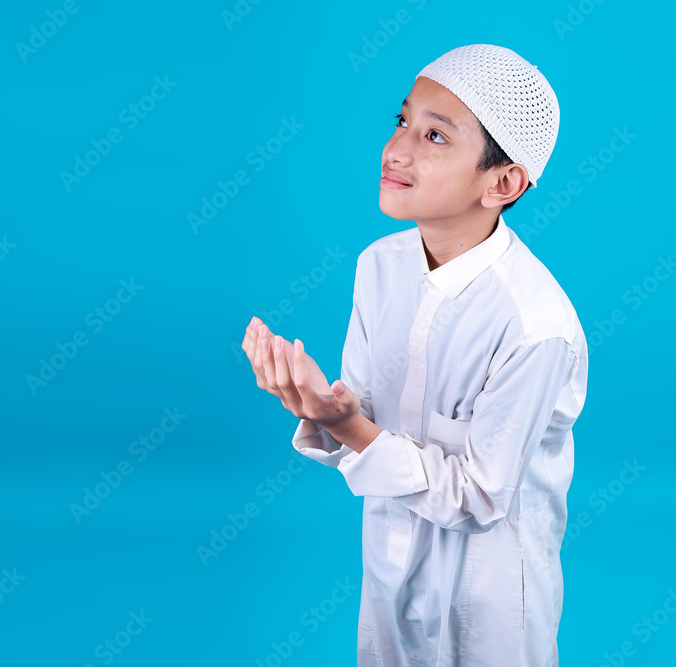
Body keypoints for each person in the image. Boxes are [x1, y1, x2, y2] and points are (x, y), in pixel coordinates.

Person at [242, 44, 588, 666]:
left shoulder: (534, 325)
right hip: (389, 569)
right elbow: (371, 415)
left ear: (503, 182)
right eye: (402, 121)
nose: (396, 150)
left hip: (490, 602)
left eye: (435, 136)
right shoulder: (380, 267)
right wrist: (324, 407)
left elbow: (481, 497)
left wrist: (350, 427)